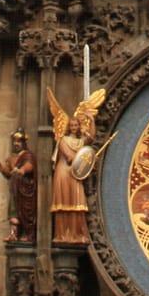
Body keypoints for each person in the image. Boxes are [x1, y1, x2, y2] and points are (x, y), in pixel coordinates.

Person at [48, 87, 106, 245]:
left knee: (78, 204)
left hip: (75, 174)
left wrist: (91, 119)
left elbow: (91, 137)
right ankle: (62, 234)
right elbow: (71, 157)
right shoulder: (63, 141)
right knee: (64, 204)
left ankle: (77, 234)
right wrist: (88, 159)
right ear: (68, 127)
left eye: (76, 125)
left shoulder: (80, 141)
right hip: (65, 173)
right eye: (72, 125)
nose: (74, 127)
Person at [0, 128, 37, 243]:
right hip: (15, 190)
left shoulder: (27, 155)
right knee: (13, 212)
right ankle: (13, 234)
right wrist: (2, 168)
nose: (16, 144)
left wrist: (22, 170)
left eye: (19, 141)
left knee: (26, 213)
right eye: (15, 141)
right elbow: (9, 173)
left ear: (24, 143)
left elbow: (29, 166)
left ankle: (27, 234)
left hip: (25, 191)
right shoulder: (12, 157)